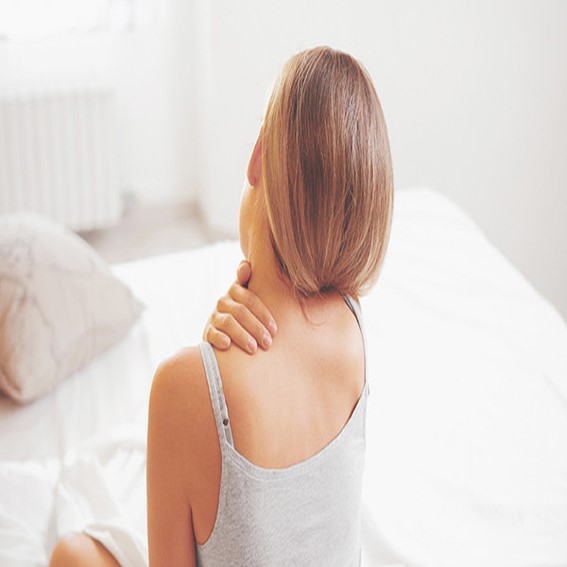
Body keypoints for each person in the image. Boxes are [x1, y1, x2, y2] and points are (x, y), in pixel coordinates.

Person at [50, 45, 393, 566]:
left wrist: (205, 377)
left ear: (257, 157)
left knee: (72, 551)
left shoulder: (182, 388)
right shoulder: (352, 328)